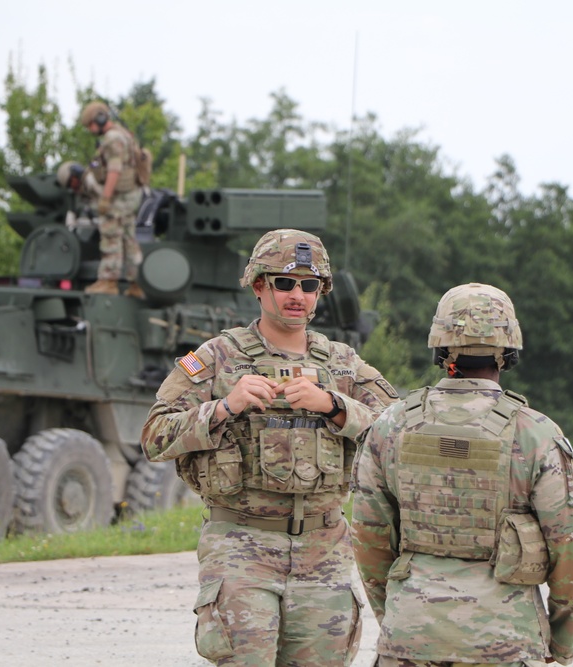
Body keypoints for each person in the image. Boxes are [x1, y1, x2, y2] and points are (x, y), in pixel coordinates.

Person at [141, 228, 399, 666]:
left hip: (324, 546)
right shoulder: (216, 358)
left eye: (309, 285)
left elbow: (399, 435)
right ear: (259, 286)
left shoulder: (343, 364)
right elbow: (154, 436)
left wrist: (335, 406)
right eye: (284, 283)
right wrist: (223, 407)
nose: (297, 295)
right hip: (241, 545)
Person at [351, 283, 573, 667]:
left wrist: (396, 616)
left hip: (411, 635)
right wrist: (560, 644)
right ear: (508, 351)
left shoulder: (391, 425)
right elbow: (570, 549)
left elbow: (369, 538)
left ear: (441, 348)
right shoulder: (535, 432)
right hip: (506, 641)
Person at [79, 100, 147, 298]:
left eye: (91, 124)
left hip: (119, 197)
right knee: (129, 239)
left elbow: (114, 170)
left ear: (100, 119)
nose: (91, 129)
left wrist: (105, 198)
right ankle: (136, 284)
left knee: (111, 235)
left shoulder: (111, 139)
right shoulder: (124, 134)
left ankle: (108, 281)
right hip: (130, 196)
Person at [56, 160, 103, 231]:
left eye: (70, 182)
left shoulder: (92, 178)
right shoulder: (79, 190)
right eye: (69, 186)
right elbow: (71, 213)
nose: (72, 186)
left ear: (75, 173)